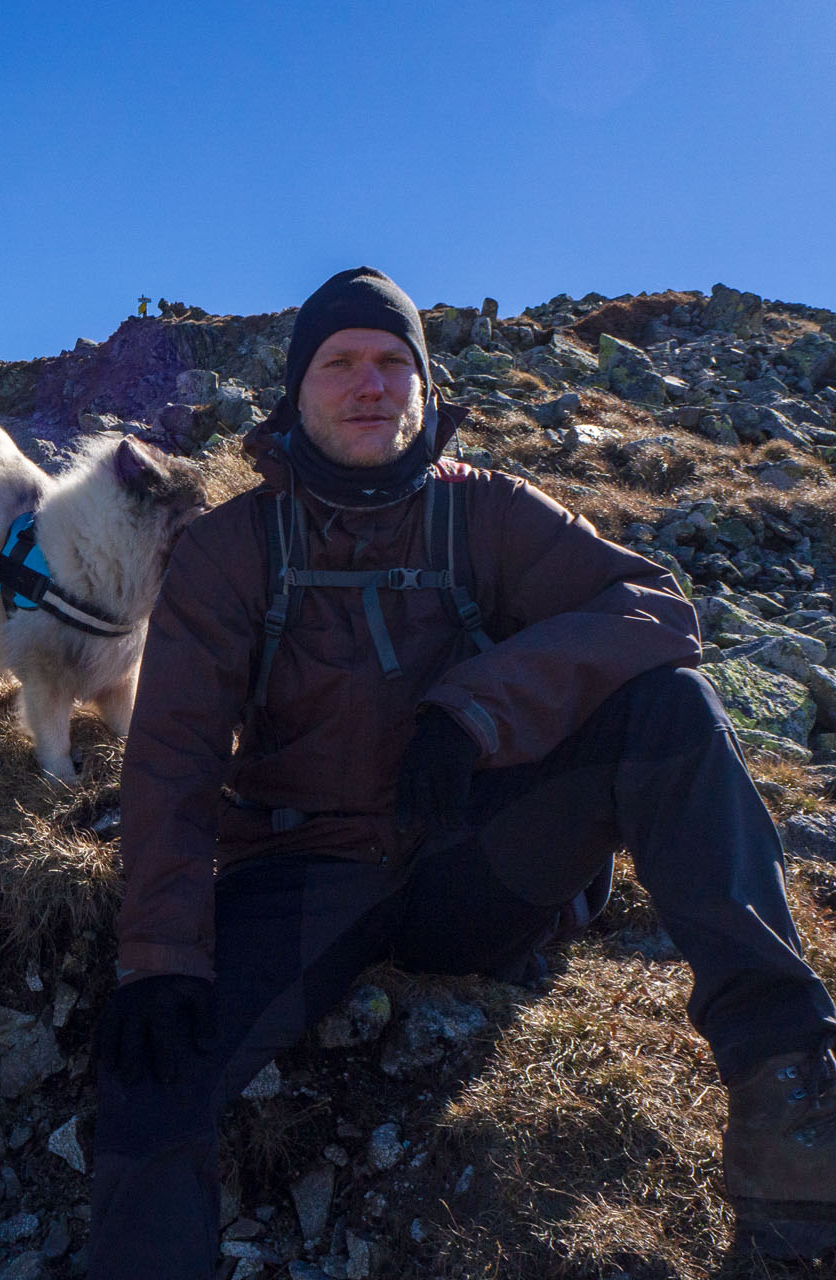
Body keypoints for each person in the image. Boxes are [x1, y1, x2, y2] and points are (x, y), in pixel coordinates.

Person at [90, 266, 836, 1274]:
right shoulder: (230, 551)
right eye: (341, 362)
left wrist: (477, 709)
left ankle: (791, 1105)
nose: (370, 384)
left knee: (670, 707)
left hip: (477, 860)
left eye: (394, 362)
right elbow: (172, 756)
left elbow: (655, 609)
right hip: (301, 872)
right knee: (155, 1072)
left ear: (426, 387)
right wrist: (161, 954)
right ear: (295, 391)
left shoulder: (486, 511)